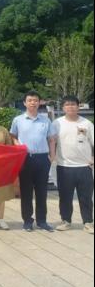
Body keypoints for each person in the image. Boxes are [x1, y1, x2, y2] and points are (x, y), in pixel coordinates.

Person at [10, 90, 56, 232]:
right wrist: (18, 146)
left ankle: (42, 221)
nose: (33, 103)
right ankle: (27, 221)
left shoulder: (46, 120)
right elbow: (13, 136)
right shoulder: (18, 120)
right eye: (30, 100)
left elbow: (51, 139)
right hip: (25, 159)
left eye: (35, 100)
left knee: (42, 192)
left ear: (39, 102)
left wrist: (52, 156)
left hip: (42, 158)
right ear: (25, 103)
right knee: (26, 192)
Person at [51, 96, 94, 234]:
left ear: (78, 106)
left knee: (86, 197)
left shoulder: (87, 123)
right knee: (65, 196)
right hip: (64, 166)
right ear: (63, 107)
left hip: (84, 166)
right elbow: (51, 141)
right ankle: (66, 221)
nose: (70, 107)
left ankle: (88, 222)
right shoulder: (57, 123)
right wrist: (52, 157)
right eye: (67, 104)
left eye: (73, 104)